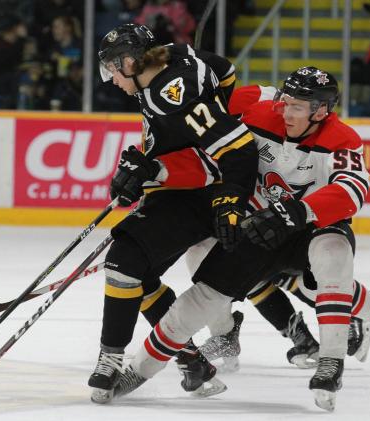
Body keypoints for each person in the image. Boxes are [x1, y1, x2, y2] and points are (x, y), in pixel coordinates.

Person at [116, 67, 370, 412]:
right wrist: (155, 166)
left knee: (332, 259)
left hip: (311, 228)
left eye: (298, 107)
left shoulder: (342, 139)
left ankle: (330, 363)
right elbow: (198, 121)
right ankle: (138, 370)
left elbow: (351, 191)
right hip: (259, 227)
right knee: (203, 296)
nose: (286, 112)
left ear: (321, 111)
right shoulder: (257, 105)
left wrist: (296, 213)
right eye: (286, 102)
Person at [89, 23, 258, 404]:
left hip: (200, 195)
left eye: (112, 69)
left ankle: (110, 359)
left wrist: (228, 199)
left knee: (123, 264)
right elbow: (224, 67)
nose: (111, 79)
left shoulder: (172, 93)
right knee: (137, 272)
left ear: (130, 62)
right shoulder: (169, 57)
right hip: (181, 187)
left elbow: (237, 152)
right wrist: (146, 166)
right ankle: (192, 362)